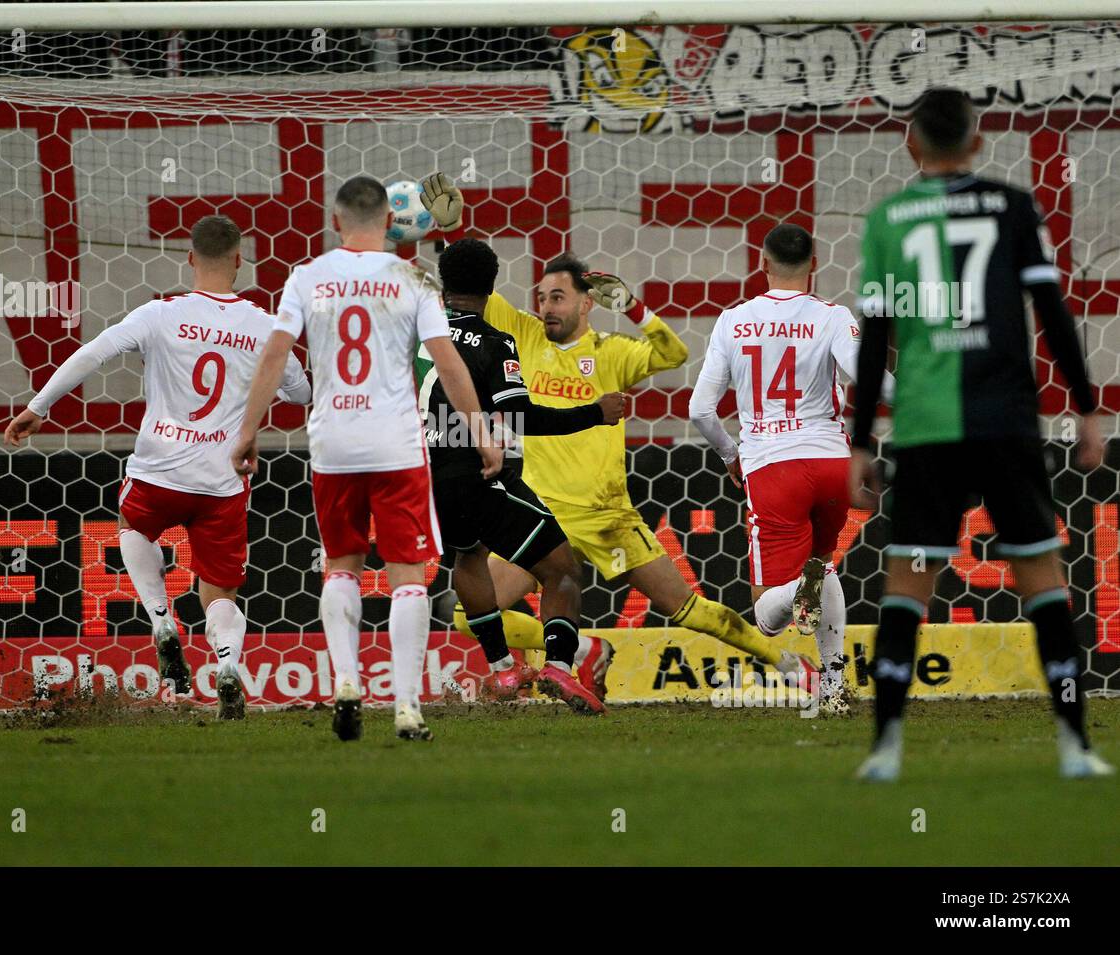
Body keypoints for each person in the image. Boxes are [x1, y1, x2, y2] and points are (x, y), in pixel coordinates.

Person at [419, 173, 817, 693]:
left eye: (558, 297)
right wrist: (450, 233)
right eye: (541, 297)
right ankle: (583, 651)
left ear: (586, 303)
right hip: (543, 503)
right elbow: (466, 294)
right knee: (469, 612)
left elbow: (673, 355)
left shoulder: (611, 351)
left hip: (608, 515)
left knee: (689, 609)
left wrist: (634, 309)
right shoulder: (520, 335)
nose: (547, 307)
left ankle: (788, 664)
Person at [848, 87, 1113, 780]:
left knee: (907, 583)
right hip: (1004, 419)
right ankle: (1074, 746)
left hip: (926, 424)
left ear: (912, 144)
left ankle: (886, 750)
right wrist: (1088, 406)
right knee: (1042, 580)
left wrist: (860, 442)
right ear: (978, 139)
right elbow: (1052, 310)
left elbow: (875, 337)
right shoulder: (1013, 205)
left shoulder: (888, 219)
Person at [4, 214, 311, 720]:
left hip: (159, 470)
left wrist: (39, 406)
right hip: (223, 478)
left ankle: (163, 621)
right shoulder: (263, 326)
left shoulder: (159, 313)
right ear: (239, 261)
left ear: (190, 258)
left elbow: (93, 353)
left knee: (133, 526)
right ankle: (229, 667)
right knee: (220, 590)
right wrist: (266, 384)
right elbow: (301, 392)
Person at [230, 175, 501, 742]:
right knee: (408, 573)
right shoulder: (413, 278)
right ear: (389, 222)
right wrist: (481, 431)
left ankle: (347, 683)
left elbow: (275, 356)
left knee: (342, 564)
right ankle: (406, 707)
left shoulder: (308, 277)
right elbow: (447, 362)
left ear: (335, 222)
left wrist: (247, 429)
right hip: (397, 441)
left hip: (333, 442)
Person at [689, 222, 895, 714]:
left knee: (768, 617)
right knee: (822, 568)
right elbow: (877, 386)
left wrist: (730, 456)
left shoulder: (733, 321)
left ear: (762, 263)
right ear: (815, 265)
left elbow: (701, 410)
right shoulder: (832, 315)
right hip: (832, 464)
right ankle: (832, 688)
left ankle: (797, 592)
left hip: (771, 467)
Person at [422, 237, 629, 714]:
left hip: (427, 477)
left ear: (443, 286)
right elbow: (521, 418)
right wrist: (594, 413)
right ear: (492, 287)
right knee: (561, 571)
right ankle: (559, 665)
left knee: (468, 556)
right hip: (481, 473)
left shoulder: (418, 337)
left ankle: (501, 670)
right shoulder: (496, 343)